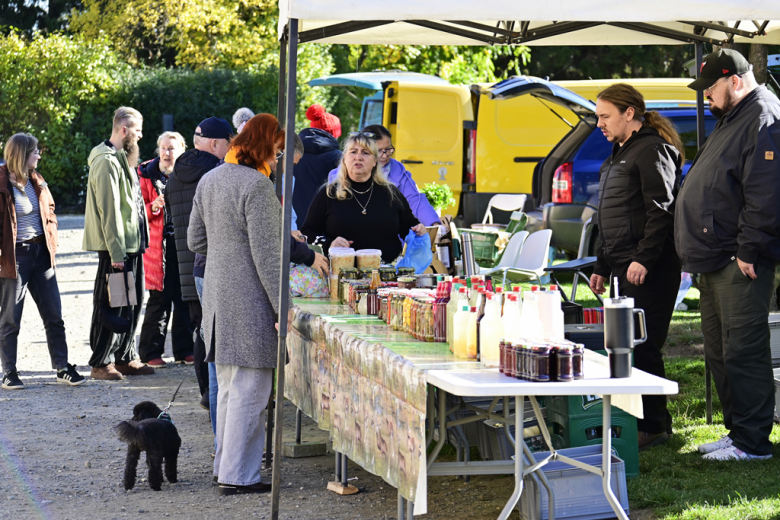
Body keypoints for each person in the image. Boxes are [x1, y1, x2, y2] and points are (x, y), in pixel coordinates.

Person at [675, 49, 780, 461]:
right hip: (717, 255)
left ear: (734, 81)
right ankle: (737, 432)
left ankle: (753, 442)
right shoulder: (735, 115)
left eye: (710, 87)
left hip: (740, 258)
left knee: (743, 349)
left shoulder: (763, 115)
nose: (705, 96)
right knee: (720, 350)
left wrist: (749, 247)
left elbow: (767, 191)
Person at [187, 113, 286, 495]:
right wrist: (283, 308)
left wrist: (226, 250)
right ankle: (238, 475)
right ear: (263, 146)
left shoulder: (211, 179)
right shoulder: (257, 186)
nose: (277, 158)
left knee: (230, 389)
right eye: (276, 150)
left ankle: (225, 467)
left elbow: (195, 241)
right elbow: (268, 256)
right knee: (250, 391)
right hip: (250, 300)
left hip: (217, 295)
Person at [587, 84, 683, 450]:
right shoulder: (617, 154)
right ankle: (642, 421)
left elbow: (661, 211)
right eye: (598, 116)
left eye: (605, 116)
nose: (600, 124)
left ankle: (653, 426)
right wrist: (601, 264)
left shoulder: (652, 149)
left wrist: (643, 258)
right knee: (625, 345)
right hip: (621, 267)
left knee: (643, 345)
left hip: (650, 268)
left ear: (629, 113)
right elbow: (608, 217)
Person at [0, 134, 85, 389]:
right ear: (22, 154)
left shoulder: (37, 180)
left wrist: (52, 239)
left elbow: (50, 212)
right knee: (11, 318)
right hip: (16, 257)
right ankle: (9, 372)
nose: (39, 155)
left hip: (42, 255)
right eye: (35, 151)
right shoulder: (2, 183)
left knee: (54, 315)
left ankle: (62, 367)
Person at [166, 116, 231, 406]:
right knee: (213, 331)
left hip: (185, 265)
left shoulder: (175, 173)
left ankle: (207, 392)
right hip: (211, 264)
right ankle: (212, 395)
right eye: (229, 143)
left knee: (201, 330)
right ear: (216, 144)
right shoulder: (217, 173)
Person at [83, 107, 152, 381]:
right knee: (112, 305)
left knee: (131, 302)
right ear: (124, 130)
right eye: (137, 130)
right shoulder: (106, 161)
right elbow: (108, 210)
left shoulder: (123, 158)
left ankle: (125, 357)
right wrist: (116, 252)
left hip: (131, 245)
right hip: (117, 249)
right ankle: (101, 363)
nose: (141, 135)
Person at [301, 131, 426, 263]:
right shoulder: (329, 193)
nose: (358, 157)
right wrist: (329, 244)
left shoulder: (391, 193)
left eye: (365, 153)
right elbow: (307, 232)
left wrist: (419, 230)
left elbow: (410, 228)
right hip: (341, 272)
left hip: (386, 273)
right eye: (353, 152)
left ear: (375, 161)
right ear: (344, 159)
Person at [137, 131, 194, 368]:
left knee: (184, 297)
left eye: (171, 148)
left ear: (182, 150)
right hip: (157, 247)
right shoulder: (145, 175)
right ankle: (150, 352)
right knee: (159, 298)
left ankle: (184, 350)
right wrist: (153, 207)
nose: (166, 153)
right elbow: (135, 211)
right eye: (163, 148)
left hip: (184, 245)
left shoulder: (188, 173)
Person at [328, 125, 440, 226]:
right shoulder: (336, 177)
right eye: (379, 151)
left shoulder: (398, 170)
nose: (385, 155)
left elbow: (415, 200)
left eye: (388, 149)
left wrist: (434, 223)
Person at [293, 125, 340, 230]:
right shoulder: (337, 158)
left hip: (291, 226)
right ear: (333, 135)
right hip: (323, 228)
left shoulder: (288, 155)